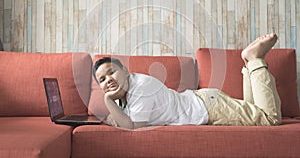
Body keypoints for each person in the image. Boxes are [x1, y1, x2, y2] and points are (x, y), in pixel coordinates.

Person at [93, 33, 282, 129]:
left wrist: (108, 101)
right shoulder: (124, 94)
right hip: (205, 101)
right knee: (253, 111)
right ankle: (249, 64)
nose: (108, 80)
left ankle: (255, 59)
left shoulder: (141, 87)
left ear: (125, 71)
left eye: (112, 72)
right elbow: (119, 119)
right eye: (102, 79)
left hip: (208, 109)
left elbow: (132, 127)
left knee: (269, 119)